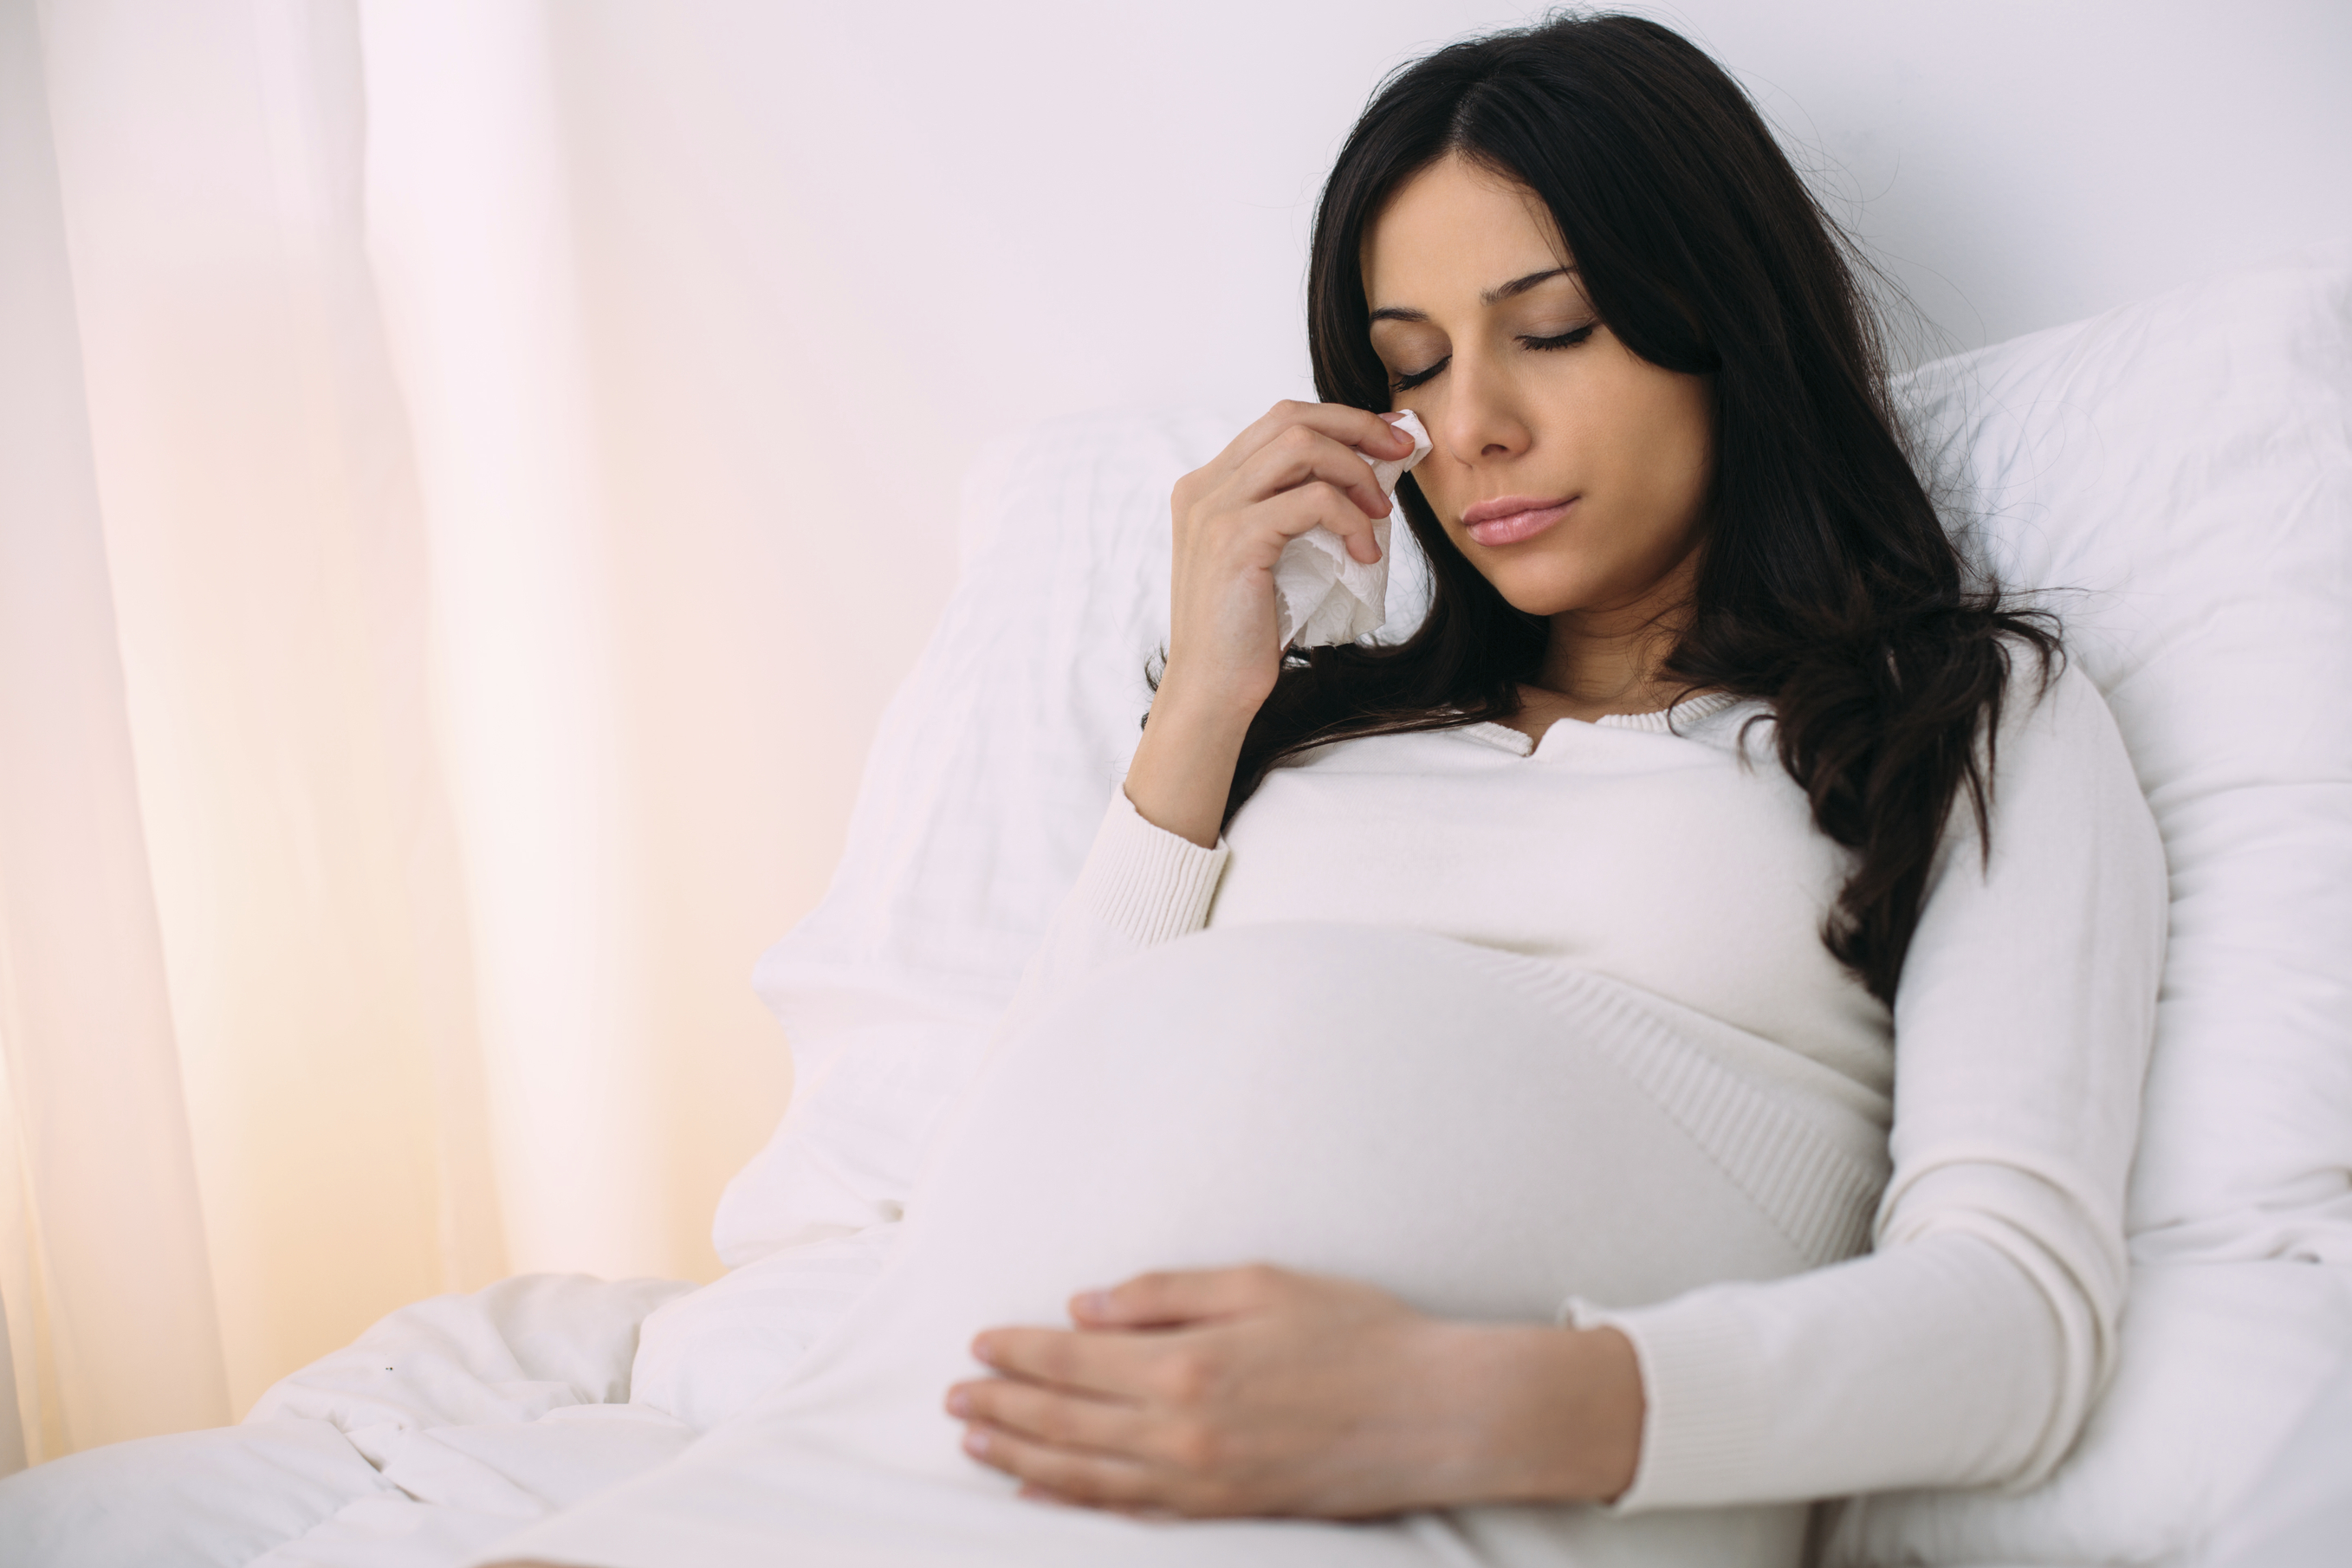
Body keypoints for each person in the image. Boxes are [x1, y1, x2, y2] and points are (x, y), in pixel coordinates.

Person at [492, 13, 2165, 1565]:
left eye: (1555, 330)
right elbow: (1014, 1156)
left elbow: (2016, 1312)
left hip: (1422, 1498)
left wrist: (1466, 1398)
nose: (1475, 425)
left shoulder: (1959, 712)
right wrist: (1205, 707)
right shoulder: (1313, 731)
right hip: (939, 1427)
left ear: (1726, 321)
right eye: (1412, 365)